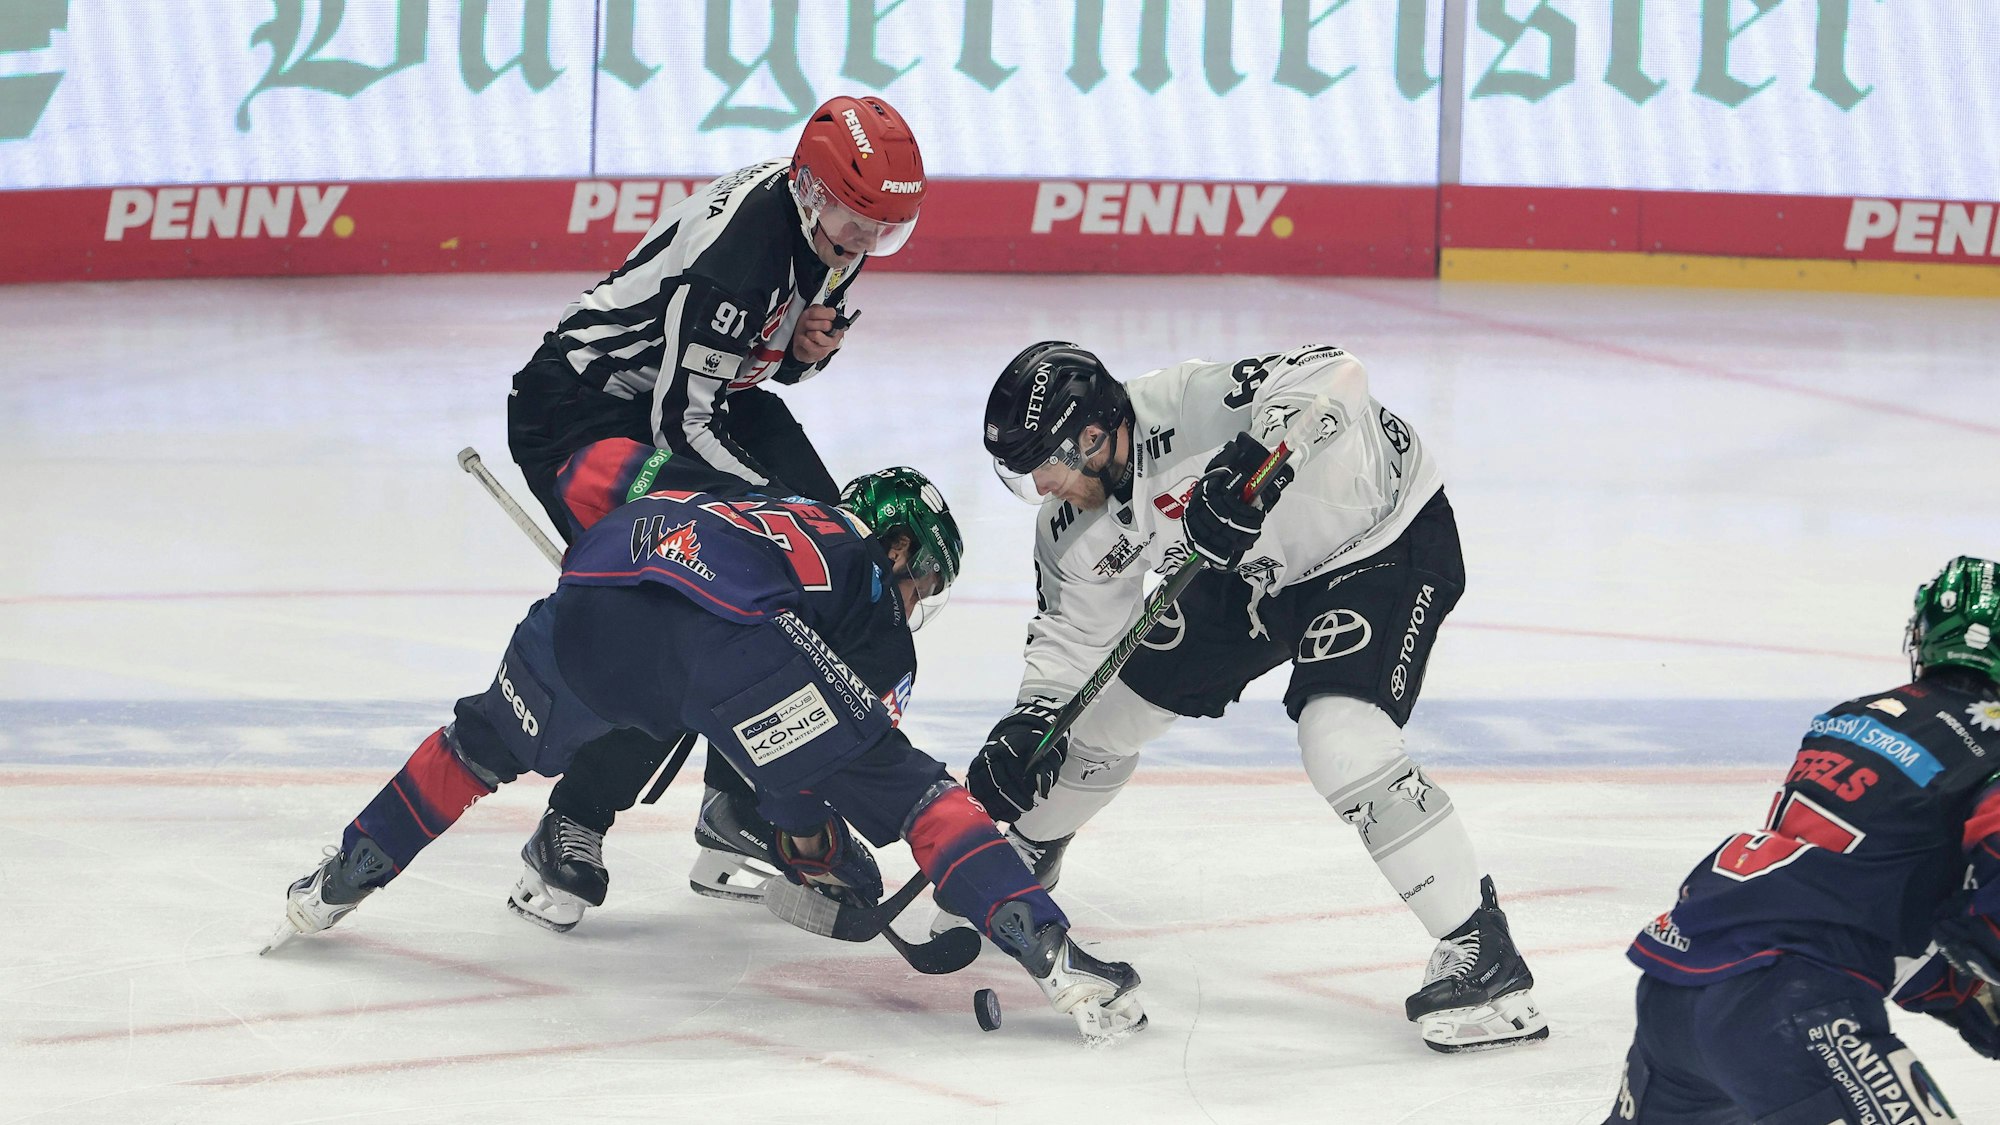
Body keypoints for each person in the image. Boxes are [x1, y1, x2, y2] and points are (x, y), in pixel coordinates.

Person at [263, 458, 1148, 1039]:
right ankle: (1063, 961)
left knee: (476, 744)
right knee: (921, 795)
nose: (913, 602)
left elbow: (611, 497)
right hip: (727, 644)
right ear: (901, 545)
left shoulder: (752, 498)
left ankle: (336, 880)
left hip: (587, 604)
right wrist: (823, 851)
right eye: (921, 579)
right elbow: (794, 762)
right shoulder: (870, 590)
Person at [962, 340, 1545, 1052]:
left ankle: (1484, 952)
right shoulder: (1069, 527)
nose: (1041, 486)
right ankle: (1030, 848)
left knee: (1340, 736)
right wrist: (1032, 718)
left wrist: (1260, 462)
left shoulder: (1191, 408)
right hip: (1247, 568)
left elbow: (1339, 371)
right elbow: (1072, 638)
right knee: (1099, 715)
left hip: (1378, 537)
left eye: (1042, 465)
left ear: (1089, 435)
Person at [501, 94, 927, 924]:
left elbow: (760, 364)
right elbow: (677, 423)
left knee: (821, 564)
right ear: (808, 189)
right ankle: (572, 822)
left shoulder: (834, 224)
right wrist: (768, 522)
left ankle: (738, 804)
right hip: (585, 417)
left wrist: (806, 351)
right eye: (859, 222)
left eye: (884, 228)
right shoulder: (741, 257)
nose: (869, 242)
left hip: (695, 400)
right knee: (691, 610)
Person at [1603, 556, 2000, 1123]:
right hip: (1793, 1012)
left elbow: (1857, 889)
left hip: (1674, 990)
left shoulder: (1852, 717)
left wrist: (1958, 988)